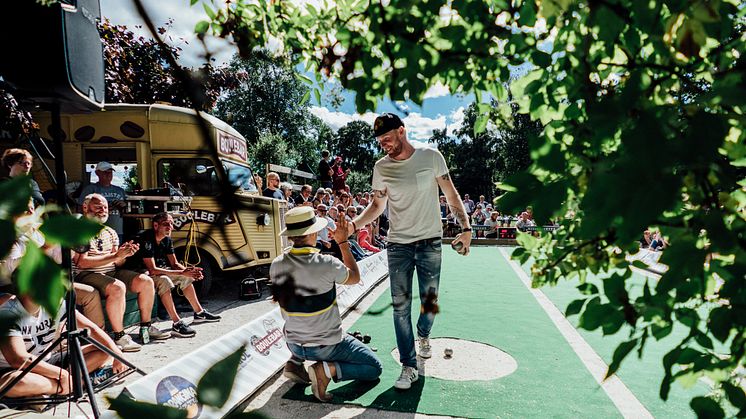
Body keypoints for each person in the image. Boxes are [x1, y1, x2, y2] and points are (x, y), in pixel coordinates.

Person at [349, 112, 472, 390]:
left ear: (402, 132)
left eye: (388, 138)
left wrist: (465, 228)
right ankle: (408, 365)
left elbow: (451, 195)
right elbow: (377, 206)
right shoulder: (381, 167)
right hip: (398, 245)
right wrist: (353, 225)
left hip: (429, 241)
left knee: (430, 301)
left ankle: (424, 334)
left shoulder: (431, 157)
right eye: (380, 141)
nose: (385, 144)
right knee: (400, 307)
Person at [270, 207, 382, 402]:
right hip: (325, 346)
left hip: (294, 344)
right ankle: (325, 370)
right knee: (374, 368)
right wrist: (343, 243)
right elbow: (355, 277)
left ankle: (295, 363)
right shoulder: (327, 263)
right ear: (313, 233)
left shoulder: (277, 263)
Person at [73, 194, 170, 352]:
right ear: (85, 208)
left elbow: (118, 263)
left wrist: (124, 255)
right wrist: (115, 256)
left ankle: (146, 327)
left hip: (109, 271)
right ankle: (120, 336)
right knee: (117, 287)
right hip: (85, 274)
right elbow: (81, 263)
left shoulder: (110, 232)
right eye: (98, 207)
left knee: (146, 281)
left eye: (105, 208)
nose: (103, 211)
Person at [0, 278, 126, 399]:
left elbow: (91, 329)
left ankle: (54, 388)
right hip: (15, 370)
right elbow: (18, 359)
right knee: (18, 382)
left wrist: (116, 354)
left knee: (105, 349)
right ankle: (78, 384)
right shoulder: (7, 314)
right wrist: (62, 375)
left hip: (48, 361)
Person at [127, 212, 221, 337]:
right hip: (138, 272)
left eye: (171, 224)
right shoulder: (145, 238)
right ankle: (177, 323)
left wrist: (190, 272)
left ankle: (199, 313)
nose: (170, 227)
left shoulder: (167, 239)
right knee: (164, 280)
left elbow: (175, 264)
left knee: (184, 277)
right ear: (155, 225)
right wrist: (182, 272)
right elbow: (152, 269)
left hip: (155, 271)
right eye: (166, 224)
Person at [77, 162, 127, 240]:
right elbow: (80, 209)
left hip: (117, 231)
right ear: (97, 173)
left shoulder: (120, 190)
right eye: (105, 172)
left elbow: (128, 211)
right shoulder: (90, 189)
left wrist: (123, 206)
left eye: (110, 172)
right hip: (95, 232)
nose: (108, 174)